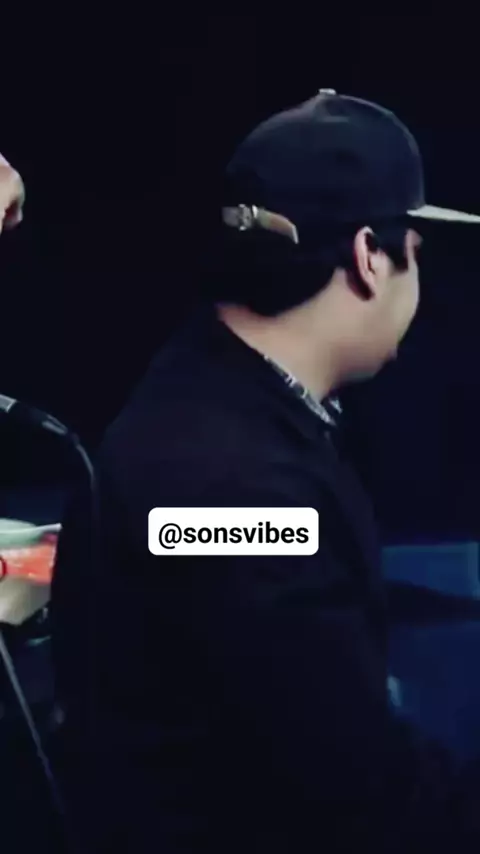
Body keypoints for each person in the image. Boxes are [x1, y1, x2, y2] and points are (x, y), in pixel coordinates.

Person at [51, 90, 480, 852]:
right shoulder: (234, 494)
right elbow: (360, 794)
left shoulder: (210, 381)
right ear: (369, 258)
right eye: (414, 251)